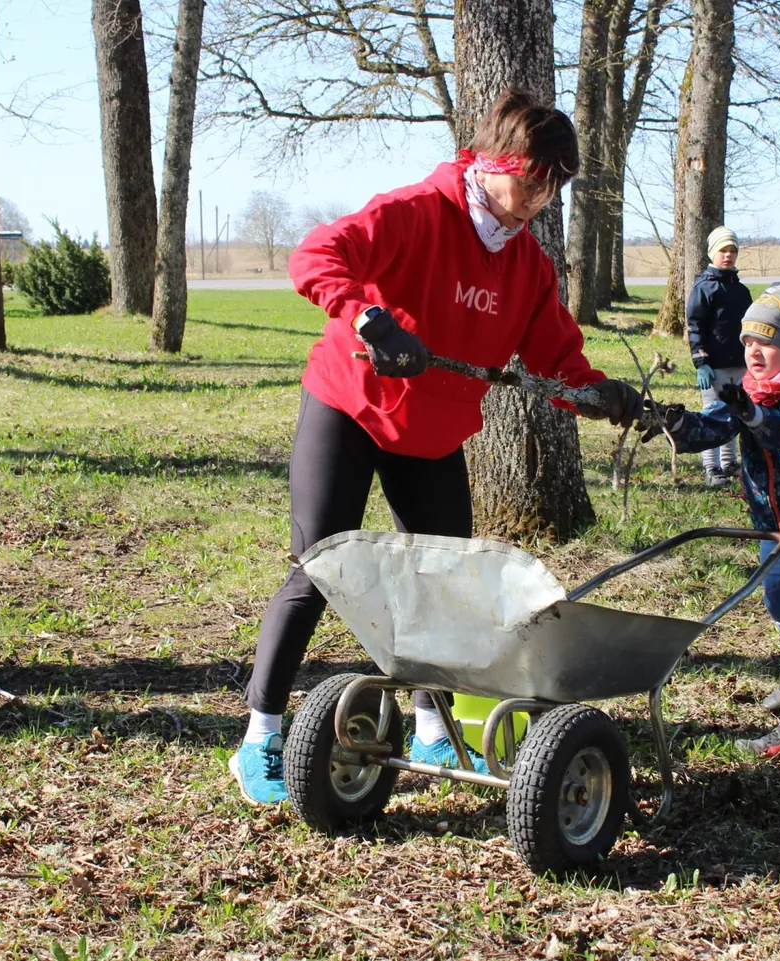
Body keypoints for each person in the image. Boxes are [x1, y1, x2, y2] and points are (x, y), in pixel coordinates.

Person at [230, 89, 645, 805]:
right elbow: (316, 255)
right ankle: (261, 737)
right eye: (533, 180)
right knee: (319, 568)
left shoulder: (525, 266)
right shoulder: (415, 212)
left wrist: (595, 391)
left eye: (554, 188)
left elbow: (554, 359)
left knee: (439, 582)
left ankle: (430, 724)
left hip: (432, 431)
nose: (538, 201)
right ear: (494, 162)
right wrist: (370, 321)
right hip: (352, 405)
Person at [642, 281, 780, 757]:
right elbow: (709, 428)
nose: (754, 352)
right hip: (770, 533)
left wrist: (754, 416)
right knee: (777, 611)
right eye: (748, 342)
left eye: (768, 342)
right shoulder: (747, 393)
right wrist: (667, 420)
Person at [686, 226, 751, 489]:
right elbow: (695, 326)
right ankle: (711, 468)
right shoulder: (704, 288)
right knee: (714, 415)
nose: (728, 255)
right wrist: (702, 363)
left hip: (741, 364)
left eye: (733, 250)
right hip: (715, 367)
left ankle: (729, 462)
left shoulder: (741, 290)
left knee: (736, 414)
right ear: (713, 253)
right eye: (723, 250)